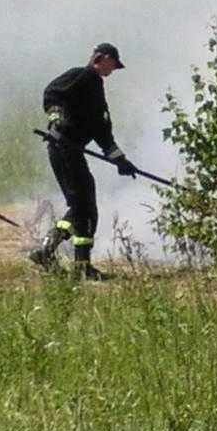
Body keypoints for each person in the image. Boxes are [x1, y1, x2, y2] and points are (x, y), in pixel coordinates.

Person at [29, 42, 140, 280]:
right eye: (113, 64)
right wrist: (56, 120)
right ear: (103, 58)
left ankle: (53, 252)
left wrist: (122, 161)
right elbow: (52, 93)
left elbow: (102, 133)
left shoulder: (96, 88)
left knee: (84, 206)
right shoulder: (81, 75)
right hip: (63, 148)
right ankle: (75, 264)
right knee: (84, 206)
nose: (114, 69)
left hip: (73, 152)